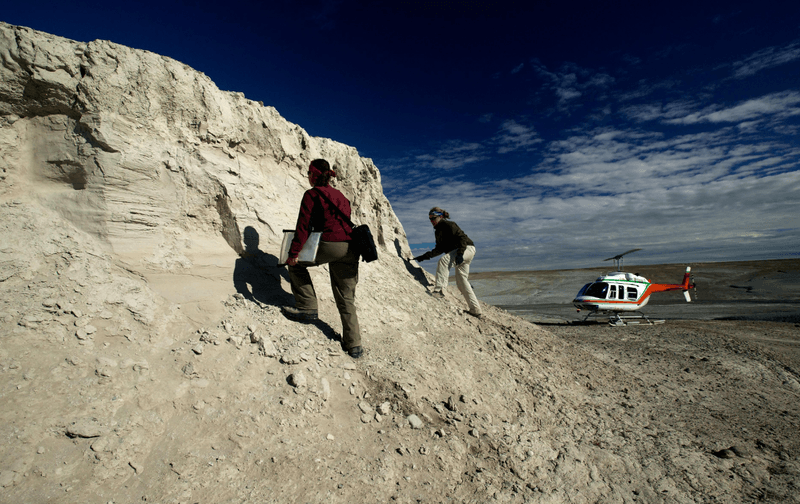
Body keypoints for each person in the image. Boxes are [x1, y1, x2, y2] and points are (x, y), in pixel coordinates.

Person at [282, 159, 363, 358]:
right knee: (346, 297)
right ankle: (354, 345)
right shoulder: (341, 196)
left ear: (315, 175)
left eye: (308, 172)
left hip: (330, 244)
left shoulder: (311, 194)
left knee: (295, 265)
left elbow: (302, 226)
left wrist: (293, 254)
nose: (307, 176)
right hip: (352, 247)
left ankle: (307, 307)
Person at [413, 207, 482, 318]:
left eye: (433, 218)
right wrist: (425, 256)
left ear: (440, 217)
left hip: (466, 248)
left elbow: (462, 238)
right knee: (461, 282)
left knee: (444, 261)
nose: (432, 221)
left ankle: (439, 290)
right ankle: (475, 310)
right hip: (462, 252)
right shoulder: (438, 232)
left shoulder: (449, 225)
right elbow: (439, 249)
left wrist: (460, 253)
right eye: (430, 219)